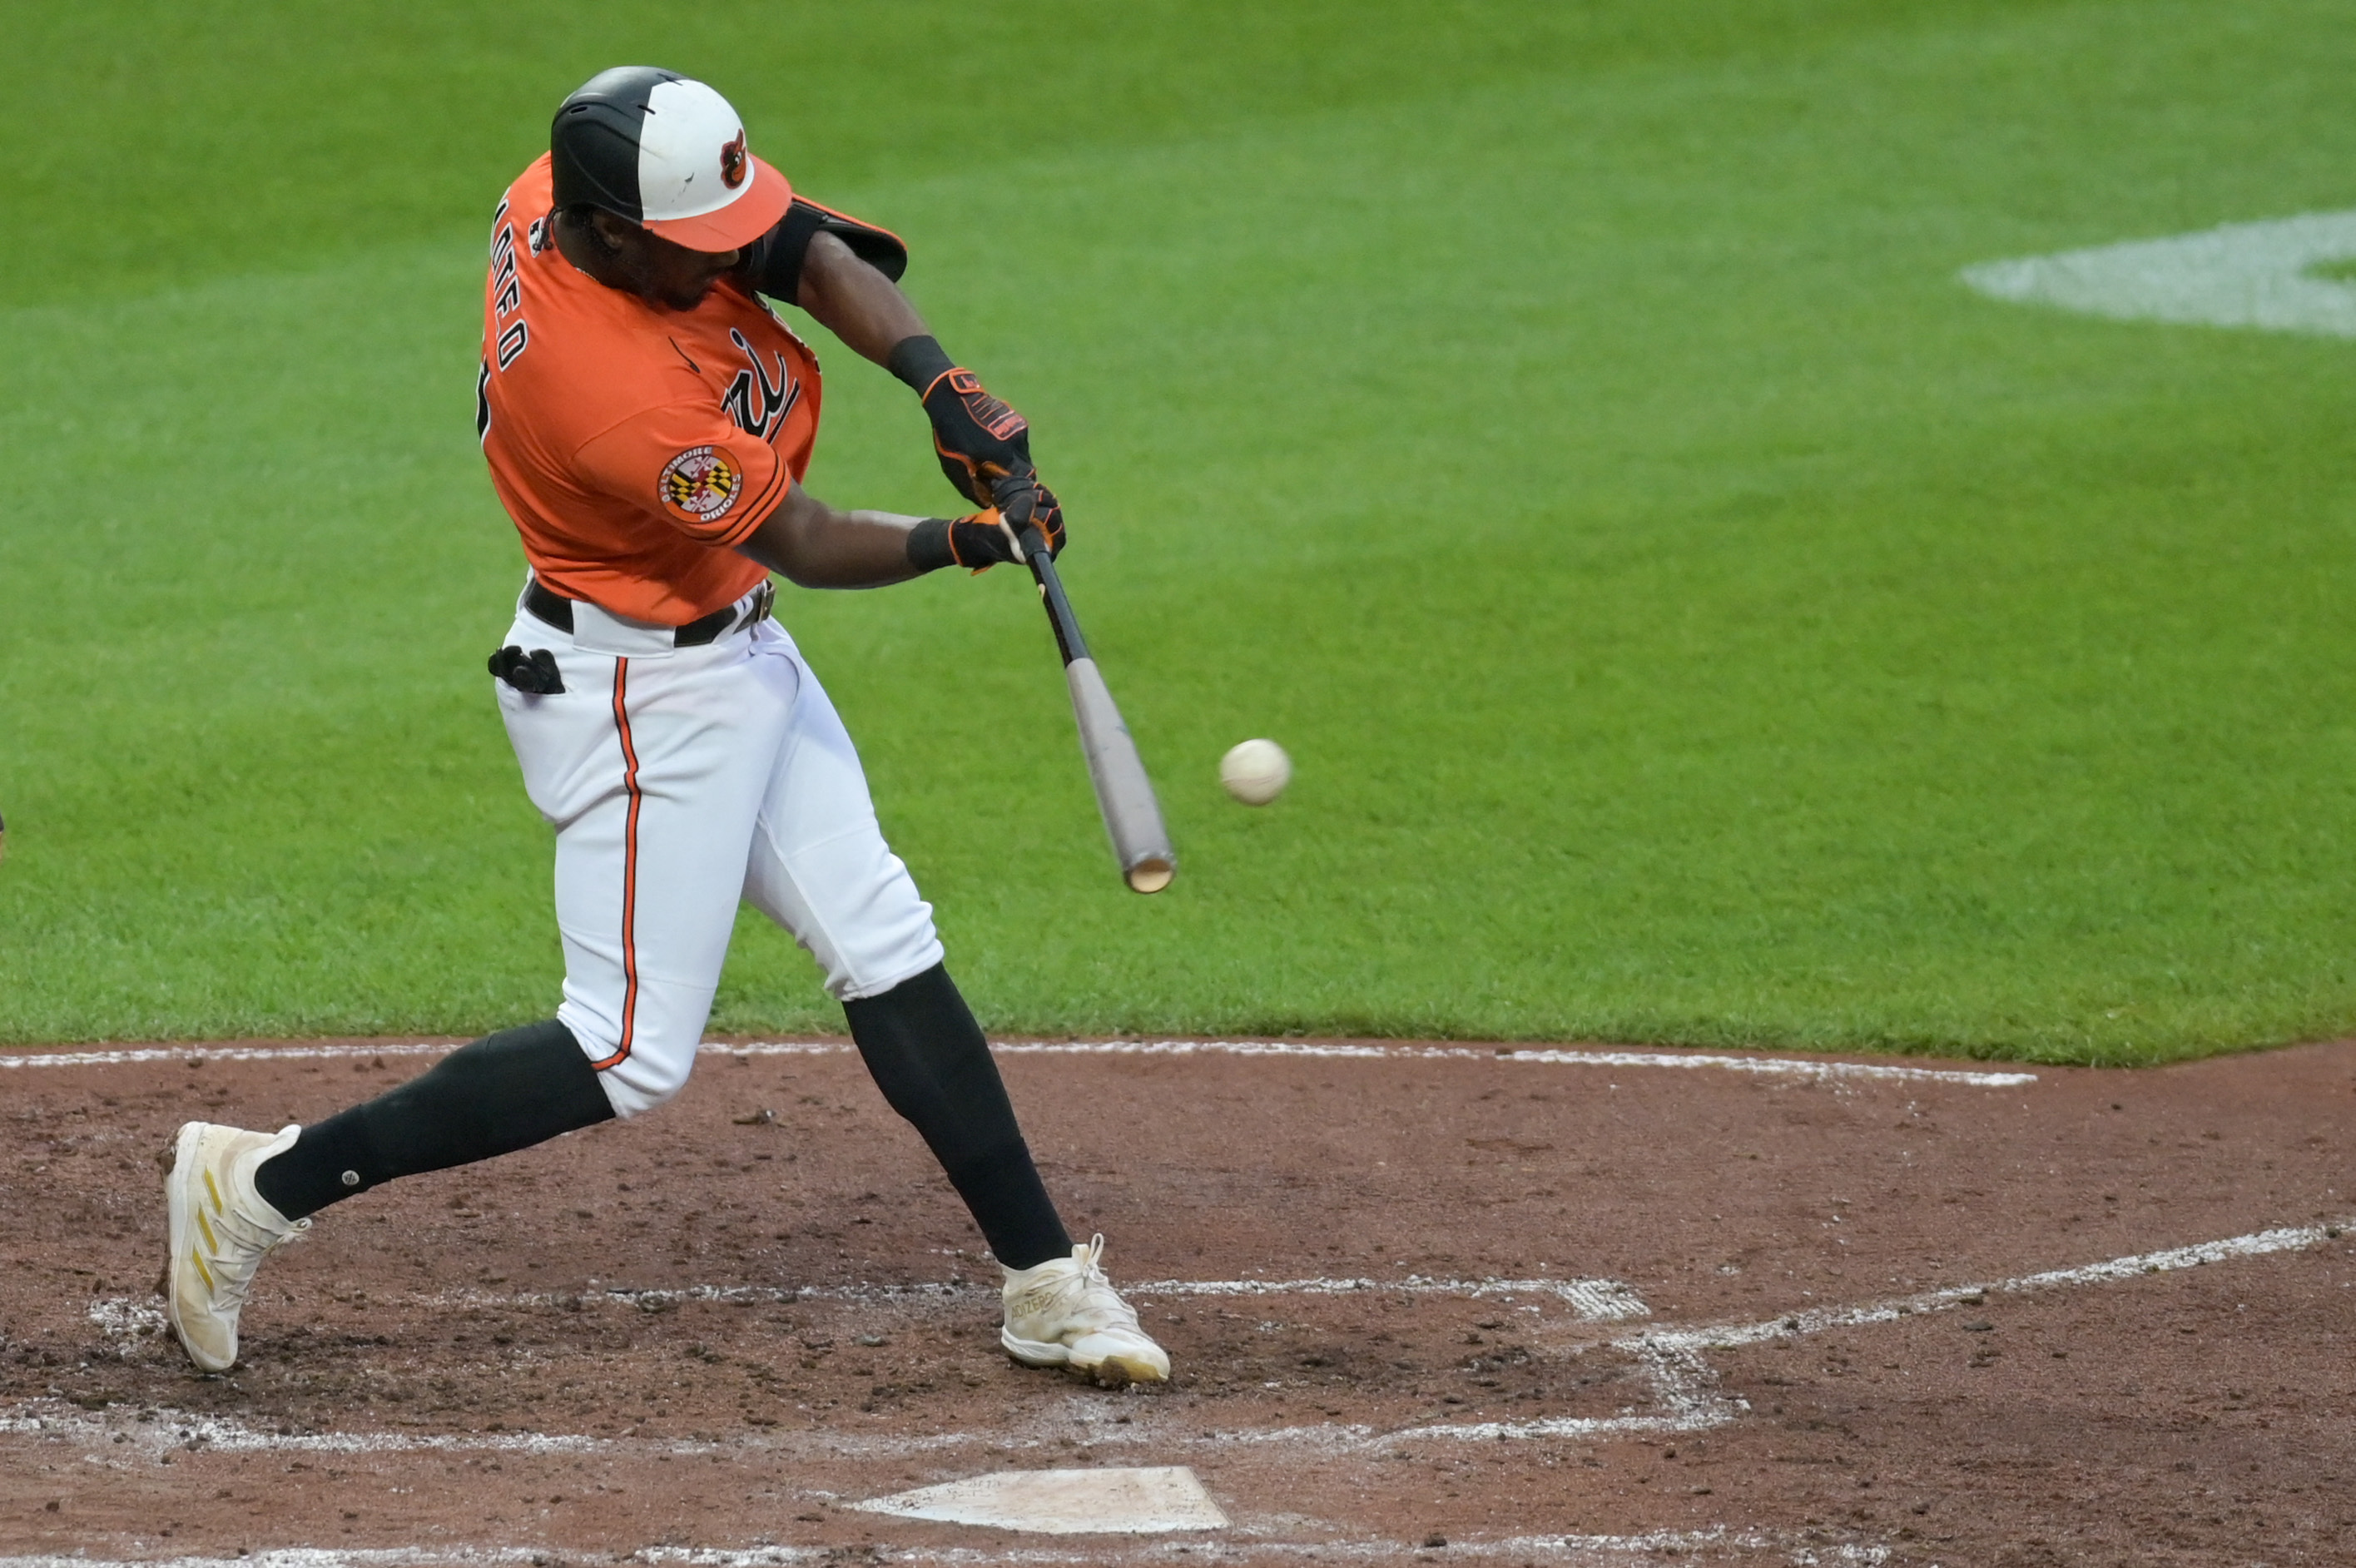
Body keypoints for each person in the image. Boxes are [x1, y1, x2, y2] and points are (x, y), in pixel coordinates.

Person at [161, 67, 1168, 1390]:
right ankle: (257, 1186)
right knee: (625, 1048)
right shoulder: (604, 390)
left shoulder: (563, 190)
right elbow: (803, 541)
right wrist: (969, 541)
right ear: (615, 234)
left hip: (731, 647)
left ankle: (1043, 1283)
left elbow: (796, 244)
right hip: (644, 699)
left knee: (882, 938)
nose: (721, 262)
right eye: (690, 250)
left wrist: (938, 380)